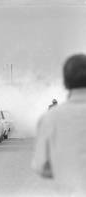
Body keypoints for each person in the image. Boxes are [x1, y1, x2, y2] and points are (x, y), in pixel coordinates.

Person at [32, 54, 86, 196]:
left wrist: (64, 167)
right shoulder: (51, 112)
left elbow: (41, 166)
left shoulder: (50, 117)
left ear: (65, 83)